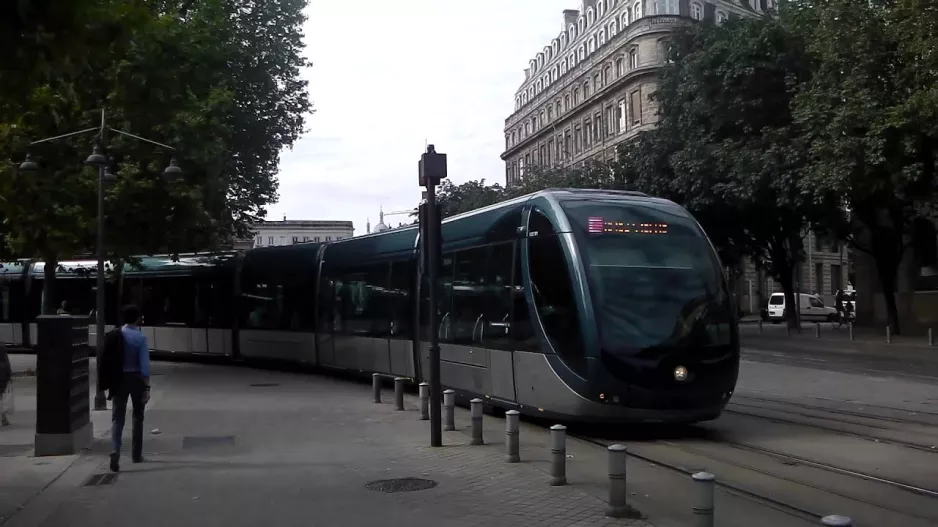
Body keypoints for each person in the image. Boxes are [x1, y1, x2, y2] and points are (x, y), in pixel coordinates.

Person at [109, 304, 151, 472]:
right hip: (136, 380)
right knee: (138, 416)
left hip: (119, 380)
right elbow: (145, 366)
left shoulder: (116, 335)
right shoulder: (140, 338)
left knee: (117, 418)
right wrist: (147, 388)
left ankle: (115, 450)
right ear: (137, 319)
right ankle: (136, 454)